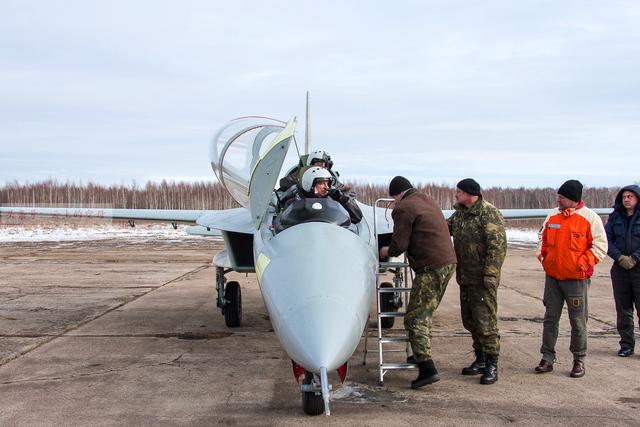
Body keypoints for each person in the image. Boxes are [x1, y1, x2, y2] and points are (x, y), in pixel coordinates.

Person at [379, 176, 457, 389]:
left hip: (431, 267)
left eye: (393, 198)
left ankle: (427, 368)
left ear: (397, 194)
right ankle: (420, 353)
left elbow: (399, 245)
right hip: (447, 262)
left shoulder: (403, 208)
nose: (394, 202)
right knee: (425, 313)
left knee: (415, 318)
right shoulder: (427, 200)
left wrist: (386, 250)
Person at [535, 179, 607, 378]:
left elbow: (600, 246)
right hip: (553, 278)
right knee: (550, 318)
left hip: (576, 279)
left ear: (573, 199)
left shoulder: (590, 218)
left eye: (562, 197)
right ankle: (547, 358)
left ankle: (579, 360)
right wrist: (544, 258)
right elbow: (542, 238)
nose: (558, 199)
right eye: (558, 196)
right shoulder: (553, 215)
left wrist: (582, 264)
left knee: (578, 321)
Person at [447, 178, 506, 385]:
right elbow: (445, 229)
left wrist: (490, 274)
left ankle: (492, 364)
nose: (456, 195)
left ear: (470, 194)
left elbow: (497, 247)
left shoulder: (488, 213)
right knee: (470, 320)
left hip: (482, 279)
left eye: (459, 192)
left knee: (486, 322)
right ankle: (480, 359)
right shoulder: (461, 214)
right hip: (466, 277)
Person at [604, 185, 640, 357]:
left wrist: (634, 258)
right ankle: (626, 345)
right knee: (623, 310)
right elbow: (606, 240)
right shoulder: (615, 217)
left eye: (630, 196)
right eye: (624, 196)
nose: (626, 199)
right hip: (620, 270)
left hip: (638, 268)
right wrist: (619, 258)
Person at [283, 166, 362, 224]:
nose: (326, 187)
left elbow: (357, 217)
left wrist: (341, 198)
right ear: (309, 183)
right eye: (321, 183)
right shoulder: (293, 203)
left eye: (327, 183)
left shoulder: (334, 203)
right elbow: (282, 224)